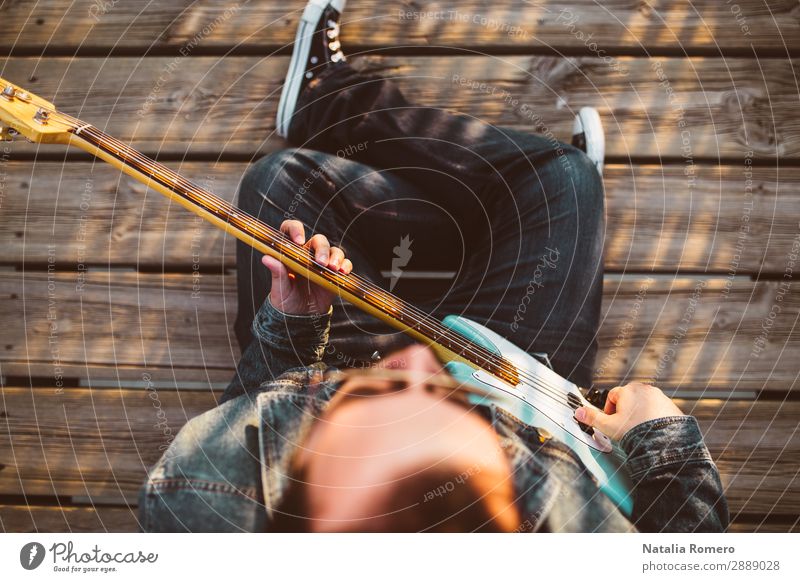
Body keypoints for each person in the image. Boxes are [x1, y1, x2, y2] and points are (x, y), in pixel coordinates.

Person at [139, 0, 728, 532]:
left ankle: (348, 115)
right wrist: (665, 444)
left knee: (283, 177)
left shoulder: (197, 504)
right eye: (448, 413)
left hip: (328, 360)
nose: (423, 356)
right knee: (564, 178)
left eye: (384, 399)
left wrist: (291, 326)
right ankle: (363, 120)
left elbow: (255, 410)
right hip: (526, 388)